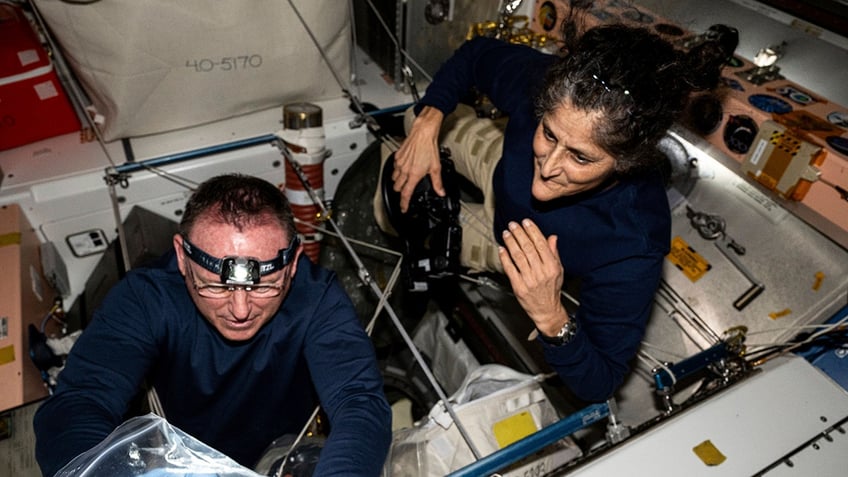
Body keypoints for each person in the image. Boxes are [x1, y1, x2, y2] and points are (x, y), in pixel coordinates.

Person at [380, 11, 731, 402]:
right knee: (412, 118)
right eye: (548, 134)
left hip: (517, 252)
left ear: (626, 162)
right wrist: (428, 122)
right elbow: (476, 54)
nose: (547, 168)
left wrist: (551, 315)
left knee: (391, 215)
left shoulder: (633, 242)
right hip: (499, 162)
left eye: (580, 158)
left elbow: (602, 381)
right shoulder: (555, 89)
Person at [34, 174, 392, 476]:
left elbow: (359, 403)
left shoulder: (318, 298)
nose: (240, 310)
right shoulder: (147, 299)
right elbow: (79, 404)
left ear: (294, 263)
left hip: (286, 456)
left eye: (264, 286)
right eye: (215, 286)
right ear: (182, 256)